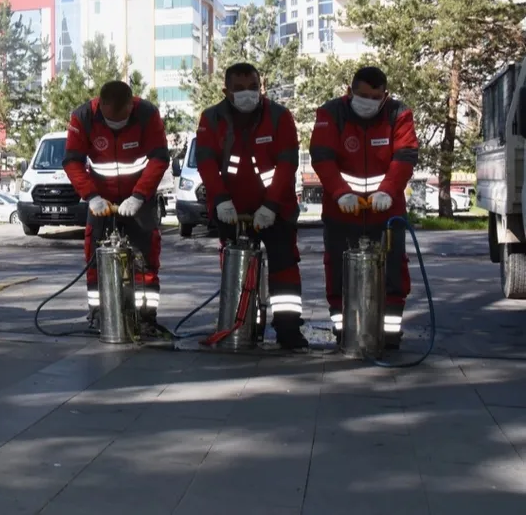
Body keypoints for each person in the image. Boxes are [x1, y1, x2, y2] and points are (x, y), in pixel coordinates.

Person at [195, 62, 308, 349]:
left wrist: (270, 207)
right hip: (230, 209)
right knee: (237, 268)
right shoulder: (212, 119)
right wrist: (220, 201)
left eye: (253, 87)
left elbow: (287, 165)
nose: (248, 94)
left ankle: (288, 329)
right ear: (226, 91)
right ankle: (242, 325)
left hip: (275, 207)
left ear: (262, 87)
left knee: (284, 267)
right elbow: (206, 163)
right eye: (240, 89)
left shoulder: (280, 117)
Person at [310, 66, 419, 350]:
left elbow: (405, 155)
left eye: (374, 96)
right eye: (361, 95)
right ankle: (343, 328)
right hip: (341, 209)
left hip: (387, 210)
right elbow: (322, 156)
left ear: (385, 95)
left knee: (394, 268)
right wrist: (339, 193)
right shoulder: (331, 113)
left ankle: (390, 330)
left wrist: (388, 190)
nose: (367, 101)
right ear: (350, 91)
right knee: (337, 268)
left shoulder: (399, 114)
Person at [63, 80, 169, 332]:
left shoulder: (147, 114)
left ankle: (145, 316)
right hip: (101, 199)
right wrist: (91, 196)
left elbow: (159, 158)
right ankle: (100, 313)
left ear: (131, 106)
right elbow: (72, 161)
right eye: (110, 119)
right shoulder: (83, 117)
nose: (115, 124)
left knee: (146, 256)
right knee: (94, 256)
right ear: (101, 105)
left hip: (138, 198)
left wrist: (139, 196)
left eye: (120, 119)